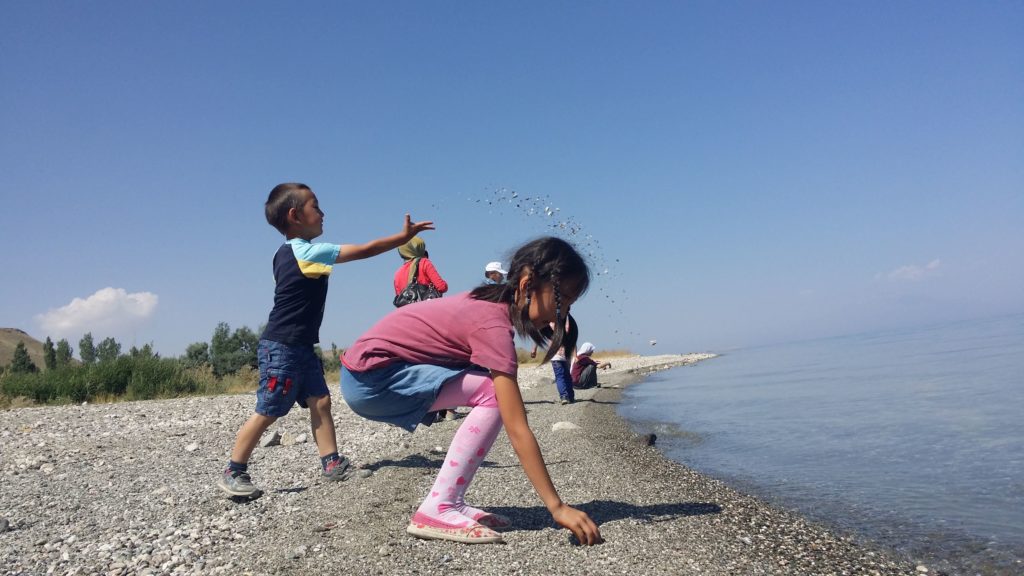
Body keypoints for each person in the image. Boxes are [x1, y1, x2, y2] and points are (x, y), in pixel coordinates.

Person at [340, 236, 602, 545]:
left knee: (488, 386)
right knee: (495, 395)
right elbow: (517, 427)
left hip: (368, 374)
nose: (564, 313)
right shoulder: (492, 323)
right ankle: (439, 506)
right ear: (528, 282)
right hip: (371, 379)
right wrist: (556, 507)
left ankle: (453, 501)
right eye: (564, 300)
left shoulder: (487, 303)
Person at [217, 182, 434, 499]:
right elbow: (365, 249)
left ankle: (331, 462)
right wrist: (402, 239)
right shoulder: (305, 251)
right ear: (295, 215)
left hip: (300, 345)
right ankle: (234, 469)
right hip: (282, 345)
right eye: (315, 206)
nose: (322, 213)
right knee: (270, 408)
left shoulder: (285, 253)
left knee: (320, 401)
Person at [530, 315, 578, 404]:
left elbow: (541, 334)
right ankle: (570, 396)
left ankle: (564, 397)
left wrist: (534, 348)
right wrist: (575, 354)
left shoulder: (549, 319)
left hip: (557, 354)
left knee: (560, 376)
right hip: (564, 353)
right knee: (566, 375)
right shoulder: (567, 319)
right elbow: (573, 338)